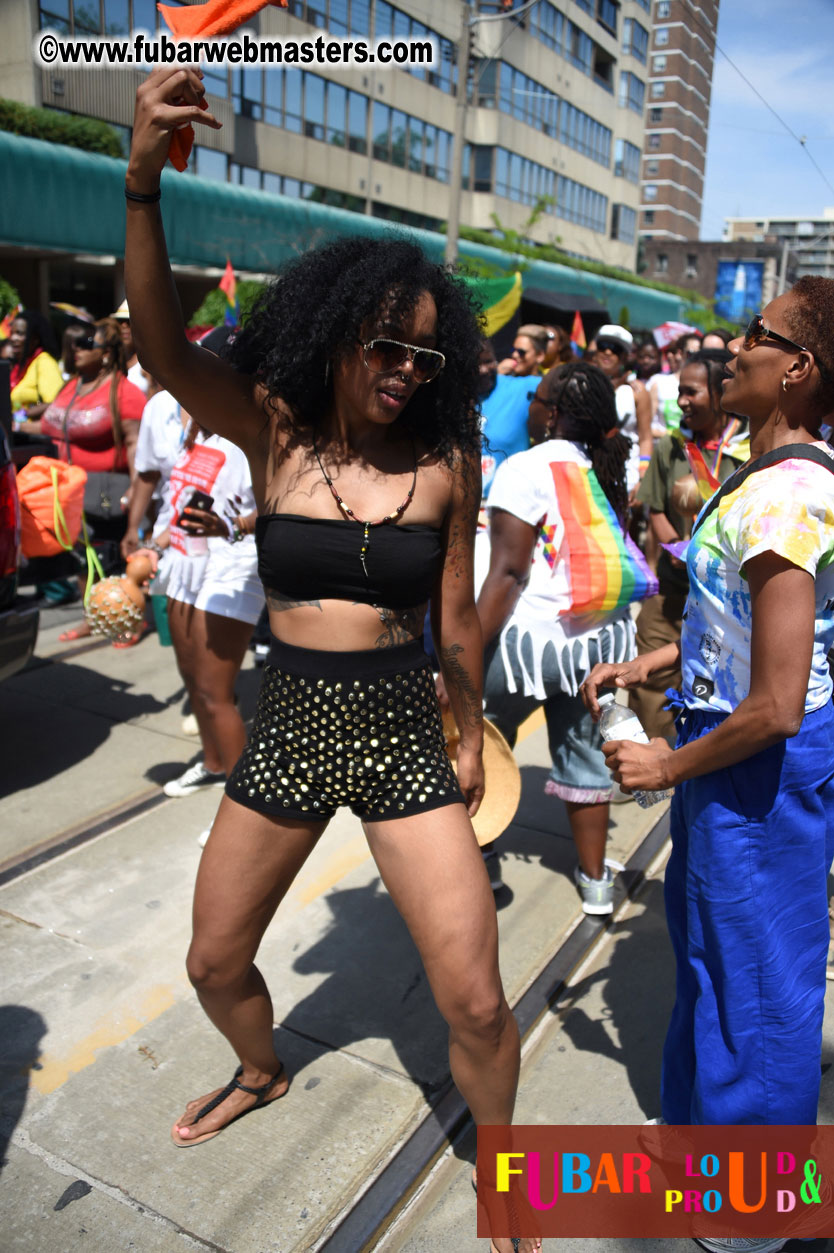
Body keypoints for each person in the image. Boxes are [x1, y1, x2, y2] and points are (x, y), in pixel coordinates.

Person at [124, 67, 539, 1253]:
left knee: (472, 995)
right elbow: (157, 342)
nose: (407, 371)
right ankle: (261, 1068)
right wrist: (143, 179)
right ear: (335, 335)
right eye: (386, 349)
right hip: (291, 722)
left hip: (408, 731)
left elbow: (455, 620)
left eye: (426, 357)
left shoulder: (447, 459)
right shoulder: (274, 426)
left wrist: (466, 733)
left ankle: (504, 1168)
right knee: (214, 958)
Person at [582, 279, 834, 1167]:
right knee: (711, 961)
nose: (733, 344)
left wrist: (665, 766)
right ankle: (700, 1145)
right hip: (729, 755)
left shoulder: (786, 497)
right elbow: (731, 625)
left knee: (756, 983)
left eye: (754, 333)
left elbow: (774, 701)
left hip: (754, 766)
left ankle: (749, 1205)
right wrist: (648, 663)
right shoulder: (758, 476)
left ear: (798, 367)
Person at [477, 361, 636, 916]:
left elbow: (508, 574)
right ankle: (596, 883)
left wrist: (465, 655)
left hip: (527, 647)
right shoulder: (611, 466)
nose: (529, 405)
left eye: (537, 398)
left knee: (478, 742)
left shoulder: (524, 468)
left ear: (555, 413)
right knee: (588, 758)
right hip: (599, 649)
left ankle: (483, 864)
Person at [629, 350, 744, 741]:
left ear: (719, 393)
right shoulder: (671, 446)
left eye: (691, 392)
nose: (681, 401)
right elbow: (655, 507)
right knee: (649, 683)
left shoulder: (747, 452)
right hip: (672, 591)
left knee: (711, 689)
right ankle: (653, 770)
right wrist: (677, 547)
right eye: (679, 392)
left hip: (723, 604)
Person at [40, 318, 146, 641]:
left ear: (105, 354)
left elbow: (135, 445)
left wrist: (135, 488)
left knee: (111, 561)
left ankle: (128, 622)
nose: (76, 349)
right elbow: (48, 426)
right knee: (82, 562)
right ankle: (93, 619)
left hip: (106, 494)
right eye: (75, 344)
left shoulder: (124, 393)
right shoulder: (72, 385)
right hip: (68, 493)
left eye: (86, 344)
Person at [592, 324, 652, 494]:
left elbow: (645, 438)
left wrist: (642, 478)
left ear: (625, 357)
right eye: (603, 346)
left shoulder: (637, 392)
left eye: (616, 349)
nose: (608, 352)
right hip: (587, 470)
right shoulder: (582, 384)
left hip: (626, 475)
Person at [8, 310, 63, 421]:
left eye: (20, 333)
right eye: (12, 333)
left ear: (35, 339)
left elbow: (56, 402)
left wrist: (21, 416)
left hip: (33, 435)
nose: (13, 338)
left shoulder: (45, 362)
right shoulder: (20, 366)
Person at [111, 299, 152, 394]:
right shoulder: (111, 360)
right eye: (120, 321)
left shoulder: (149, 364)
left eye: (129, 321)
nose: (124, 326)